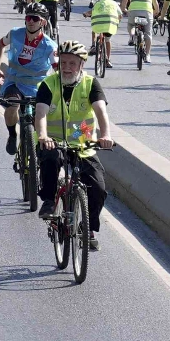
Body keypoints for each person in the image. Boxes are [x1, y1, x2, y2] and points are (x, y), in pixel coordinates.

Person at [34, 40, 114, 249]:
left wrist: (105, 135)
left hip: (82, 145)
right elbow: (40, 113)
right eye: (63, 63)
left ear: (81, 65)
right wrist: (43, 136)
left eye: (72, 63)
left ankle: (88, 229)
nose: (67, 68)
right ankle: (49, 201)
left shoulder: (90, 84)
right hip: (53, 142)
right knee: (51, 159)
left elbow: (101, 111)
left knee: (98, 187)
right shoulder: (48, 84)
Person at [0, 2, 59, 156]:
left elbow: (57, 69)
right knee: (12, 106)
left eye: (35, 18)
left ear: (43, 22)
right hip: (14, 83)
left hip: (38, 88)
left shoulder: (50, 45)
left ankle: (38, 151)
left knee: (40, 120)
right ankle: (12, 135)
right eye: (28, 17)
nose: (30, 21)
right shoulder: (15, 33)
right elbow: (0, 44)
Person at [88, 0, 120, 71]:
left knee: (94, 30)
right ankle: (107, 60)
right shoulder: (114, 3)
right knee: (107, 40)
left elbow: (91, 12)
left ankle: (93, 45)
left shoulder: (97, 3)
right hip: (109, 26)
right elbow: (120, 15)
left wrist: (85, 14)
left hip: (98, 26)